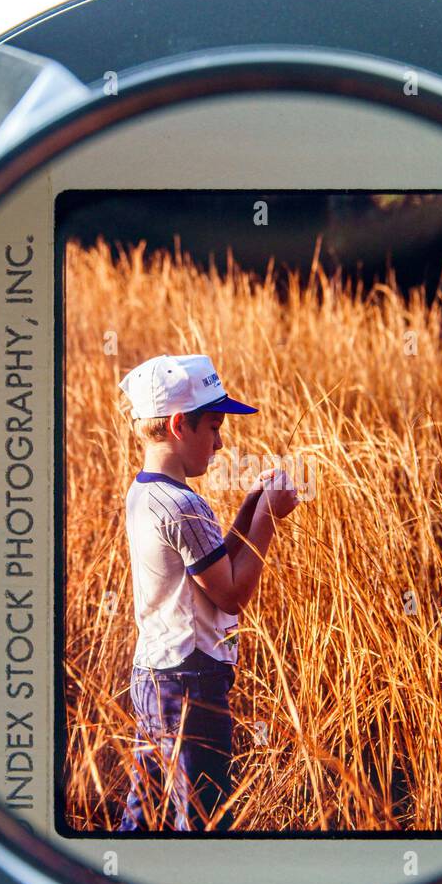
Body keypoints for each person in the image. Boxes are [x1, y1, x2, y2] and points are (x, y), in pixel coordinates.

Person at [117, 352, 299, 831]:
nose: (220, 443)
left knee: (145, 806)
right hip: (191, 681)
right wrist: (268, 520)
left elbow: (212, 564)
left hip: (156, 675)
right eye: (214, 427)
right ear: (180, 424)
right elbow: (231, 594)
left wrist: (248, 507)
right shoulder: (184, 506)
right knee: (203, 817)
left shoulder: (146, 492)